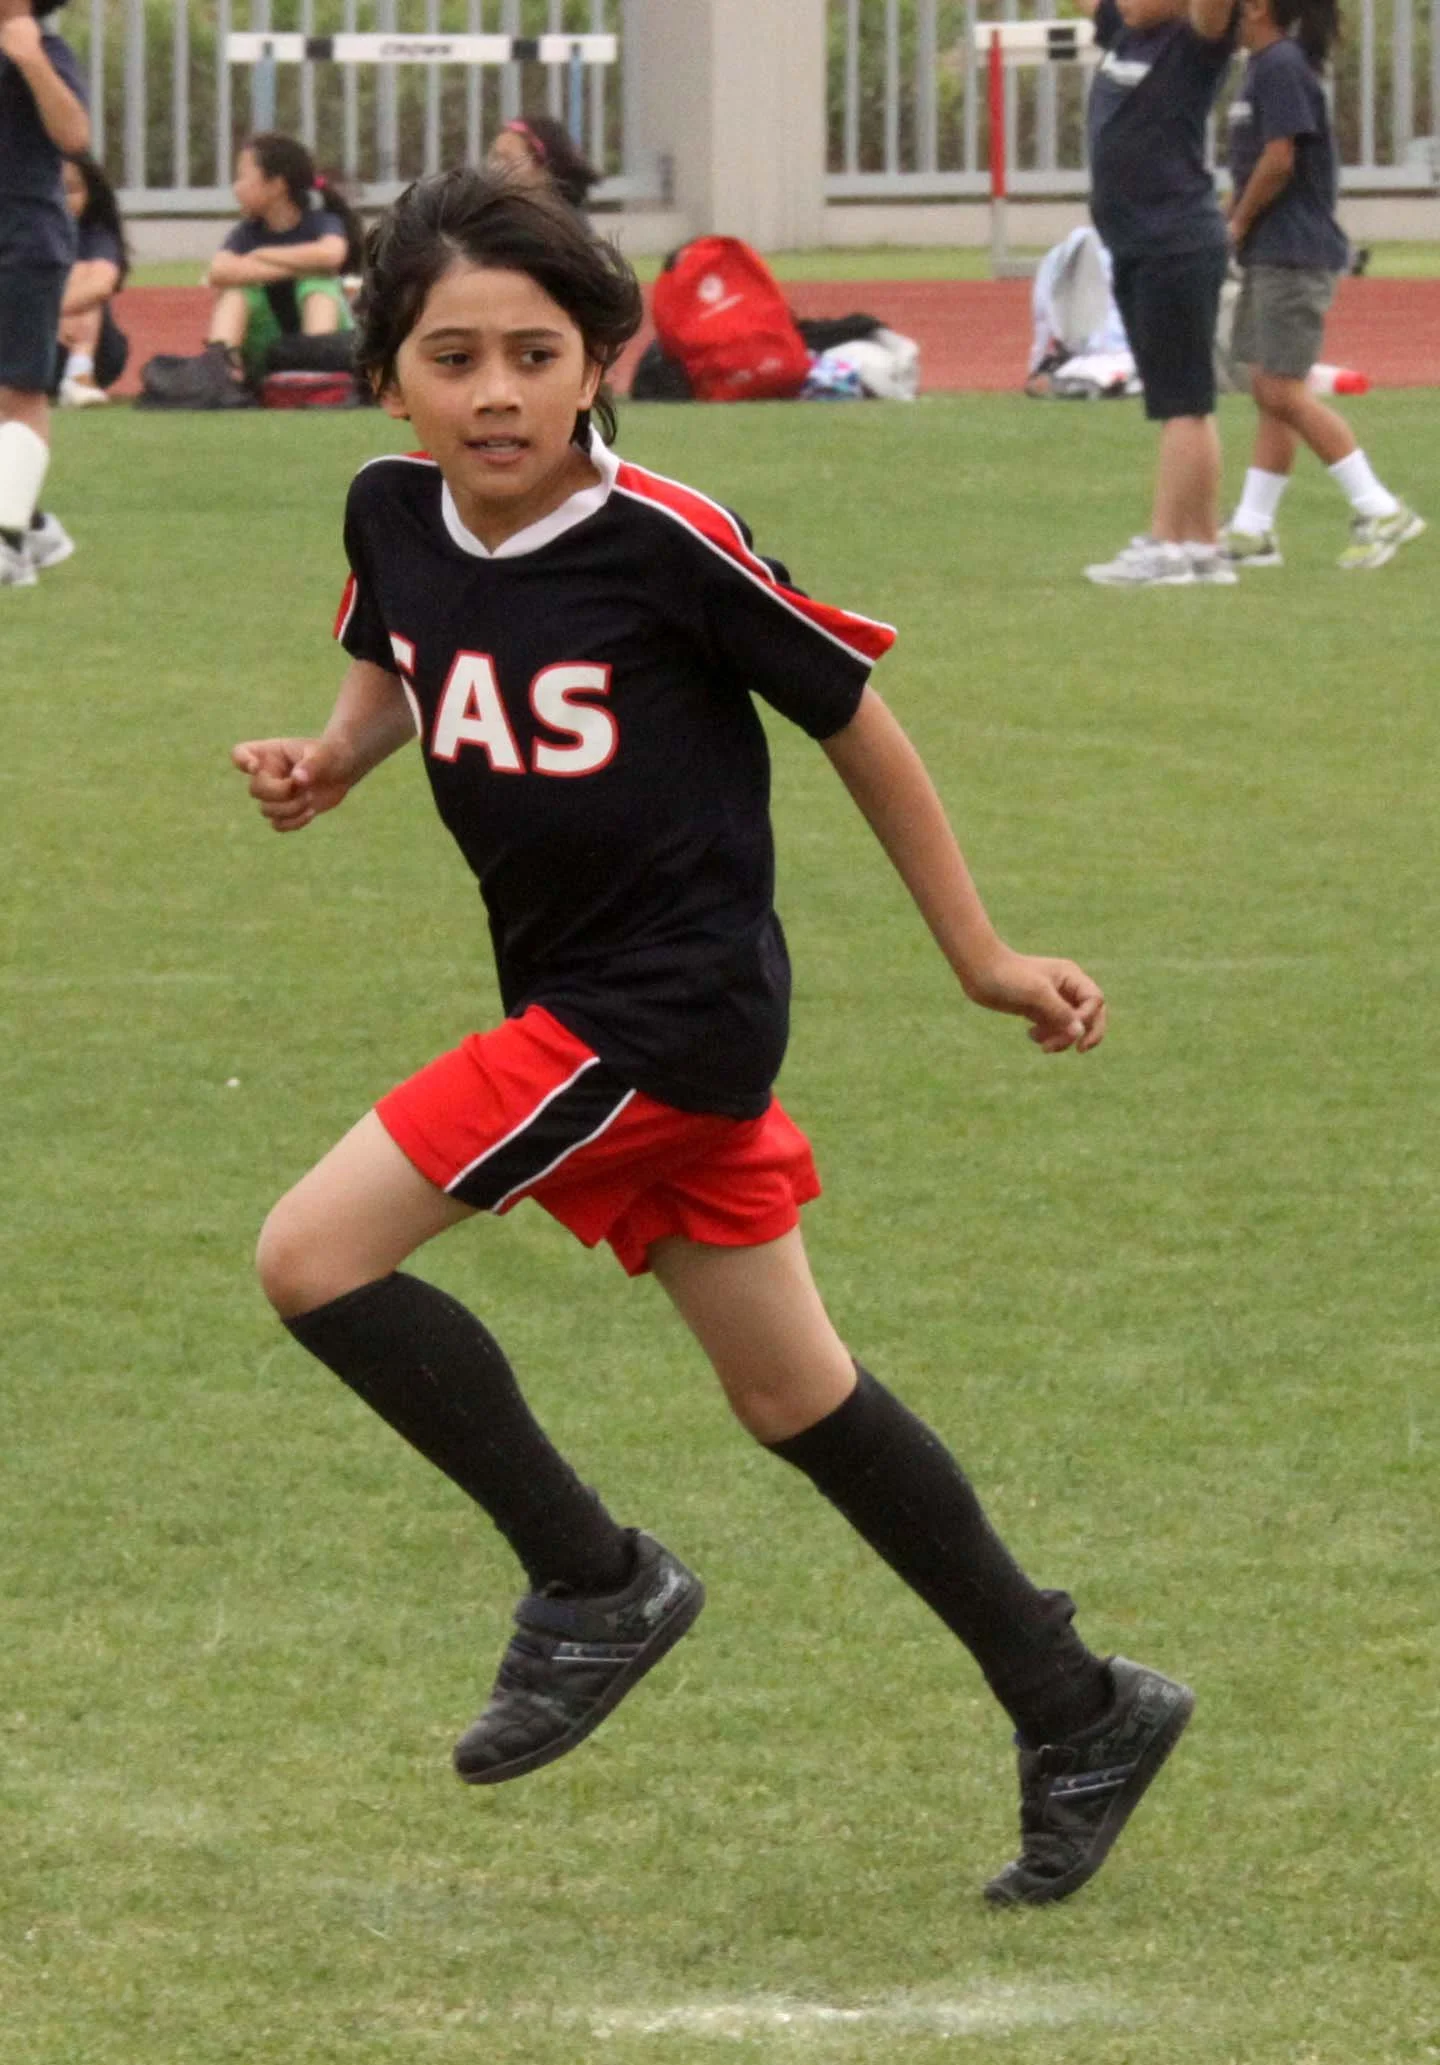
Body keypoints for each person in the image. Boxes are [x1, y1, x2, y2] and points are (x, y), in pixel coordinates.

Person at [231, 169, 1193, 1908]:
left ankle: (592, 1578)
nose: (498, 391)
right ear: (391, 379)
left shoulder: (663, 538)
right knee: (792, 1391)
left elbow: (857, 721)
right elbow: (396, 655)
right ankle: (1080, 1702)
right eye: (454, 357)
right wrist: (330, 761)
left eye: (538, 352)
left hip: (661, 1016)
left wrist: (977, 954)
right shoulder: (390, 512)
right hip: (583, 1006)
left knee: (312, 1256)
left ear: (605, 361)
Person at [1221, 0, 1424, 570]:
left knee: (1283, 391)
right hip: (1271, 249)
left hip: (1292, 251)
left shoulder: (1281, 64)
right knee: (1268, 389)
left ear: (1257, 7)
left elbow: (1280, 159)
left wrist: (1237, 221)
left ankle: (1379, 506)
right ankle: (1253, 530)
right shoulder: (1261, 66)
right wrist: (1229, 218)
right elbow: (1255, 163)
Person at [1076, 0, 1240, 586]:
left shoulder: (1193, 39)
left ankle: (1165, 545)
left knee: (1181, 404)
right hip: (1139, 241)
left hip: (1175, 237)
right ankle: (1203, 546)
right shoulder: (1125, 31)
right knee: (1188, 402)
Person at [0, 0, 88, 589]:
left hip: (25, 240)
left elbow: (74, 135)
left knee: (19, 390)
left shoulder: (46, 51)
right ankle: (33, 526)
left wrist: (29, 54)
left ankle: (9, 543)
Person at [204, 133, 364, 384]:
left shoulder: (320, 222)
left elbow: (332, 254)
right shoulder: (247, 233)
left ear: (277, 185)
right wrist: (296, 267)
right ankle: (222, 368)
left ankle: (317, 366)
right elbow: (218, 271)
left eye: (243, 177)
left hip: (330, 350)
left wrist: (262, 256)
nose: (236, 188)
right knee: (237, 292)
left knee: (318, 284)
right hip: (268, 349)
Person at [53, 151, 129, 407]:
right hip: (26, 340)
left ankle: (79, 373)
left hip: (94, 350)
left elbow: (101, 285)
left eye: (72, 190)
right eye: (54, 189)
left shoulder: (94, 234)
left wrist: (55, 313)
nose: (62, 199)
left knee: (85, 280)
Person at [487, 113, 600, 215]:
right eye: (495, 157)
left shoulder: (559, 229)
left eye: (509, 160)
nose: (495, 168)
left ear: (546, 172)